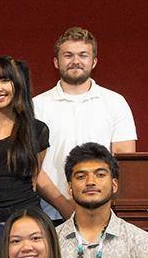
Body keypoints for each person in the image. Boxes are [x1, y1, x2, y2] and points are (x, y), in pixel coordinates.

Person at [32, 27, 137, 206]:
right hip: (49, 211)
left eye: (83, 55)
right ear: (56, 62)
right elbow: (32, 165)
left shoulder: (115, 102)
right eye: (68, 55)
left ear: (94, 61)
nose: (76, 61)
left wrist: (102, 206)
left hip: (103, 208)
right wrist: (64, 205)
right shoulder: (36, 106)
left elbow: (124, 161)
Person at [0, 56, 65, 221]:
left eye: (4, 80)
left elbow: (34, 178)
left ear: (17, 84)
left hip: (26, 216)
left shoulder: (37, 130)